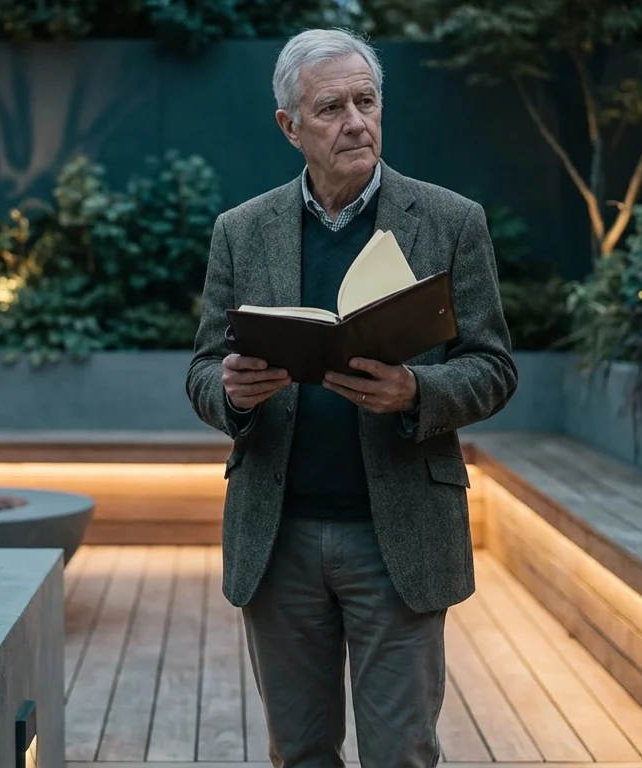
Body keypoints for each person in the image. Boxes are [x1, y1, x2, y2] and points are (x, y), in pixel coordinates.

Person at [184, 27, 519, 768]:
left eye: (366, 102)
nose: (356, 122)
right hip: (278, 537)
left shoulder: (451, 222)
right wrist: (232, 394)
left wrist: (415, 390)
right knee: (300, 752)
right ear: (290, 127)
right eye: (331, 108)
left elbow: (493, 368)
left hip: (399, 534)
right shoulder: (241, 232)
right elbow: (204, 368)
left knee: (401, 754)